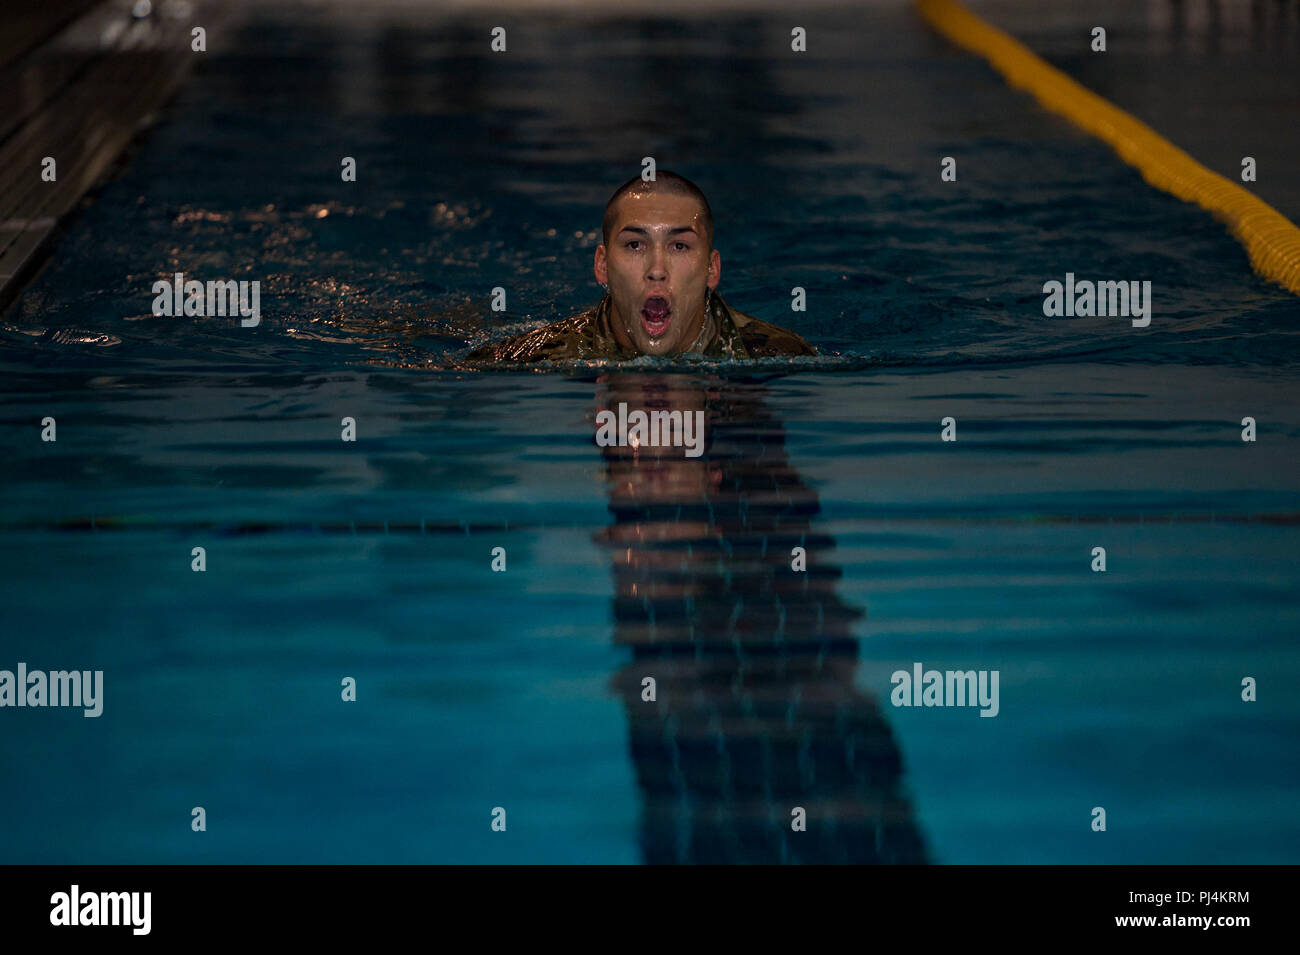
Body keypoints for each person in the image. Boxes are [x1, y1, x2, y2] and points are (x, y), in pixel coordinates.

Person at [466, 171, 816, 362]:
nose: (657, 268)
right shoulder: (530, 357)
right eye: (635, 245)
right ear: (602, 266)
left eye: (679, 246)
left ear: (712, 269)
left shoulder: (779, 355)